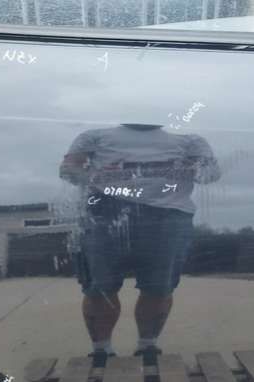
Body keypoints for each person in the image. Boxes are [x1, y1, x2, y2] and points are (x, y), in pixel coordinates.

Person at [59, 124, 220, 364]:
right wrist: (102, 176)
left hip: (169, 215)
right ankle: (101, 351)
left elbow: (211, 174)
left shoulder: (190, 141)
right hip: (105, 211)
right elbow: (68, 170)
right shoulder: (93, 136)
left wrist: (190, 168)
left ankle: (147, 347)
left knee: (160, 287)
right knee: (100, 287)